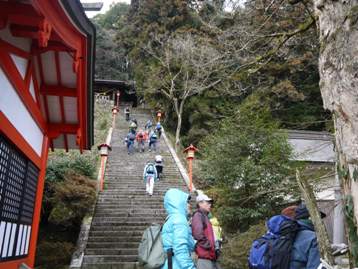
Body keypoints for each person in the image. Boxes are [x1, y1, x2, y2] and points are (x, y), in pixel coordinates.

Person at [161, 188, 196, 269]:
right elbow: (180, 249)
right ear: (179, 203)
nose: (189, 205)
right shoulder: (179, 219)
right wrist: (190, 267)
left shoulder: (170, 218)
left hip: (168, 263)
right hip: (176, 265)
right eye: (187, 202)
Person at [289, 204, 322, 269]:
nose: (321, 221)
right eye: (319, 218)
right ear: (310, 218)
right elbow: (314, 266)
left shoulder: (289, 233)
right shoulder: (313, 238)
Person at [192, 194, 218, 269]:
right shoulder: (198, 215)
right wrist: (209, 246)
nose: (210, 205)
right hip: (204, 258)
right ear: (200, 203)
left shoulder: (205, 216)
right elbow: (198, 234)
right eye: (207, 202)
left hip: (209, 257)